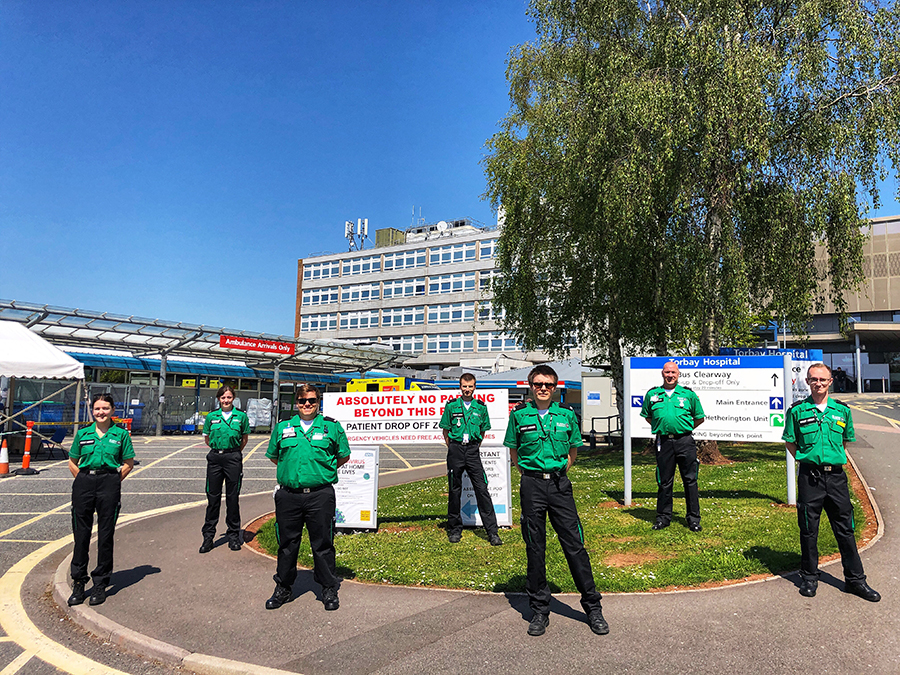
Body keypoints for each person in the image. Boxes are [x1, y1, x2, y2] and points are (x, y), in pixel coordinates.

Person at [503, 365, 608, 637]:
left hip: (560, 485)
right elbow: (514, 450)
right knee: (535, 547)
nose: (543, 388)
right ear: (530, 385)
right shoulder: (519, 416)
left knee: (574, 545)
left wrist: (559, 472)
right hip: (532, 484)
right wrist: (530, 475)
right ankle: (539, 609)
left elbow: (573, 449)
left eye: (548, 384)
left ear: (555, 387)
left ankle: (592, 607)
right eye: (538, 383)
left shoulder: (566, 415)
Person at [783, 363, 880, 601]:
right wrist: (810, 461)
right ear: (807, 382)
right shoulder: (797, 411)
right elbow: (790, 442)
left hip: (836, 478)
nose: (818, 383)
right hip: (810, 478)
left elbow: (845, 443)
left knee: (845, 530)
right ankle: (809, 577)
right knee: (808, 530)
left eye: (822, 379)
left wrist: (830, 462)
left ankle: (856, 580)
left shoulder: (842, 411)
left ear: (830, 382)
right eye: (813, 379)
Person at [265, 384, 350, 611]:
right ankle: (283, 587)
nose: (307, 405)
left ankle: (328, 588)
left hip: (320, 495)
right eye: (302, 401)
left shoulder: (332, 427)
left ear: (318, 402)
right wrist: (293, 475)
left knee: (323, 544)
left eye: (312, 400)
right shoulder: (283, 427)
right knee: (287, 544)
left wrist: (320, 474)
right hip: (289, 496)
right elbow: (275, 457)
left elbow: (343, 455)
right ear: (297, 403)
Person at [67, 393, 135, 606]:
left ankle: (100, 583)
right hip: (85, 482)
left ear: (113, 410)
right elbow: (72, 460)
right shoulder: (84, 433)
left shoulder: (120, 435)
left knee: (106, 535)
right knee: (81, 534)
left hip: (109, 483)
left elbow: (128, 463)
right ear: (92, 411)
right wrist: (83, 480)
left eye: (105, 408)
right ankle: (79, 581)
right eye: (97, 409)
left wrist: (114, 481)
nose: (101, 412)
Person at [640, 361, 705, 532]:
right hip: (663, 442)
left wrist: (683, 429)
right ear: (662, 373)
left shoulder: (688, 395)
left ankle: (693, 519)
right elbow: (647, 416)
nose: (670, 375)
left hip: (685, 441)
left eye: (673, 372)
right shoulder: (653, 394)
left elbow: (699, 417)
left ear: (678, 374)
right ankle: (663, 518)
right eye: (667, 372)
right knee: (664, 482)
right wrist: (663, 426)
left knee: (690, 481)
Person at [439, 373, 502, 546]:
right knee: (454, 490)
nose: (467, 389)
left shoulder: (480, 407)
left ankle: (492, 532)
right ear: (460, 387)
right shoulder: (451, 406)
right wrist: (453, 446)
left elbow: (483, 430)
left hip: (473, 450)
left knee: (482, 489)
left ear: (475, 387)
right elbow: (445, 430)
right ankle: (454, 529)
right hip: (456, 450)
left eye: (470, 386)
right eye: (464, 386)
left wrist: (473, 446)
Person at [200, 385, 250, 553]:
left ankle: (234, 535)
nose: (226, 400)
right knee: (213, 499)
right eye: (223, 398)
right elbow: (207, 438)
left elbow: (244, 438)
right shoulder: (211, 416)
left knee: (232, 498)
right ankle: (208, 537)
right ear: (219, 399)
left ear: (233, 398)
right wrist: (220, 451)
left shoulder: (241, 416)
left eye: (229, 397)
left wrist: (232, 453)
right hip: (215, 458)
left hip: (233, 458)